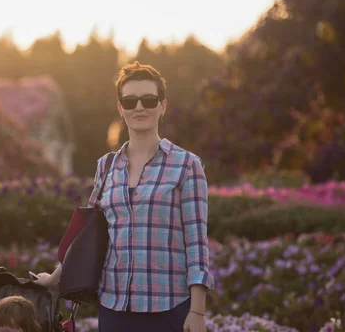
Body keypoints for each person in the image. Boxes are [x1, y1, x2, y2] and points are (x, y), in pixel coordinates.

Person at [34, 61, 214, 332]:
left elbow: (197, 243)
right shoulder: (105, 166)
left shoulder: (187, 166)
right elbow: (89, 236)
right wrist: (55, 278)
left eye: (149, 100)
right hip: (115, 308)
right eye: (130, 102)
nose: (139, 107)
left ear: (162, 105)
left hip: (169, 308)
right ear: (120, 109)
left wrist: (197, 311)